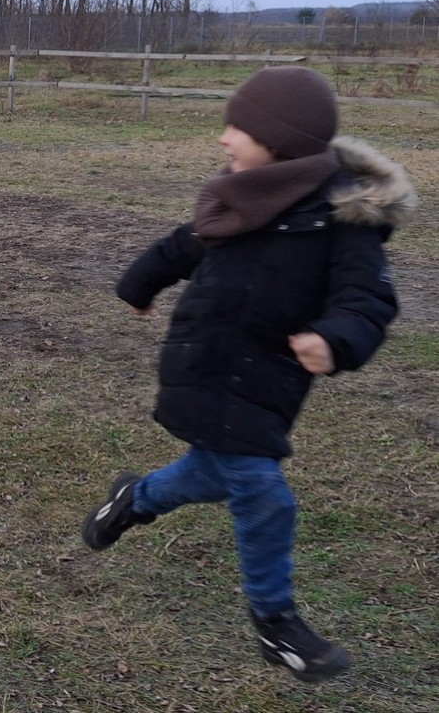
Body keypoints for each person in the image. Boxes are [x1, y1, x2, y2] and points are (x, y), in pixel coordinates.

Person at [81, 65, 416, 683]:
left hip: (266, 378)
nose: (224, 138)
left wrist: (336, 337)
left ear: (280, 143)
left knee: (213, 473)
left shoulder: (345, 220)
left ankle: (135, 499)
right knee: (263, 495)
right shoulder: (244, 194)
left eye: (239, 128)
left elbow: (368, 298)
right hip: (204, 363)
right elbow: (187, 242)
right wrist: (139, 282)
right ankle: (276, 622)